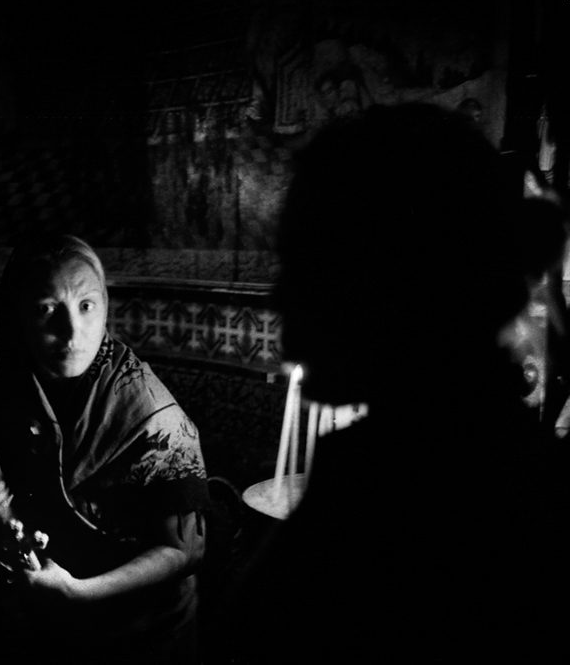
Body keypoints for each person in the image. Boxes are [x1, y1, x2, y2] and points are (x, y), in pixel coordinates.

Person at [211, 103, 569, 663]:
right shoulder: (423, 465)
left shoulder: (438, 513)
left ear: (396, 280)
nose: (280, 298)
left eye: (306, 266)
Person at [0, 234, 210, 664]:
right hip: (58, 628)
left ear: (106, 306)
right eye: (48, 309)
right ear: (16, 315)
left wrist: (78, 593)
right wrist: (0, 505)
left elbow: (184, 550)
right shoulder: (16, 387)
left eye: (86, 305)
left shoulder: (149, 411)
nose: (71, 332)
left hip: (148, 633)